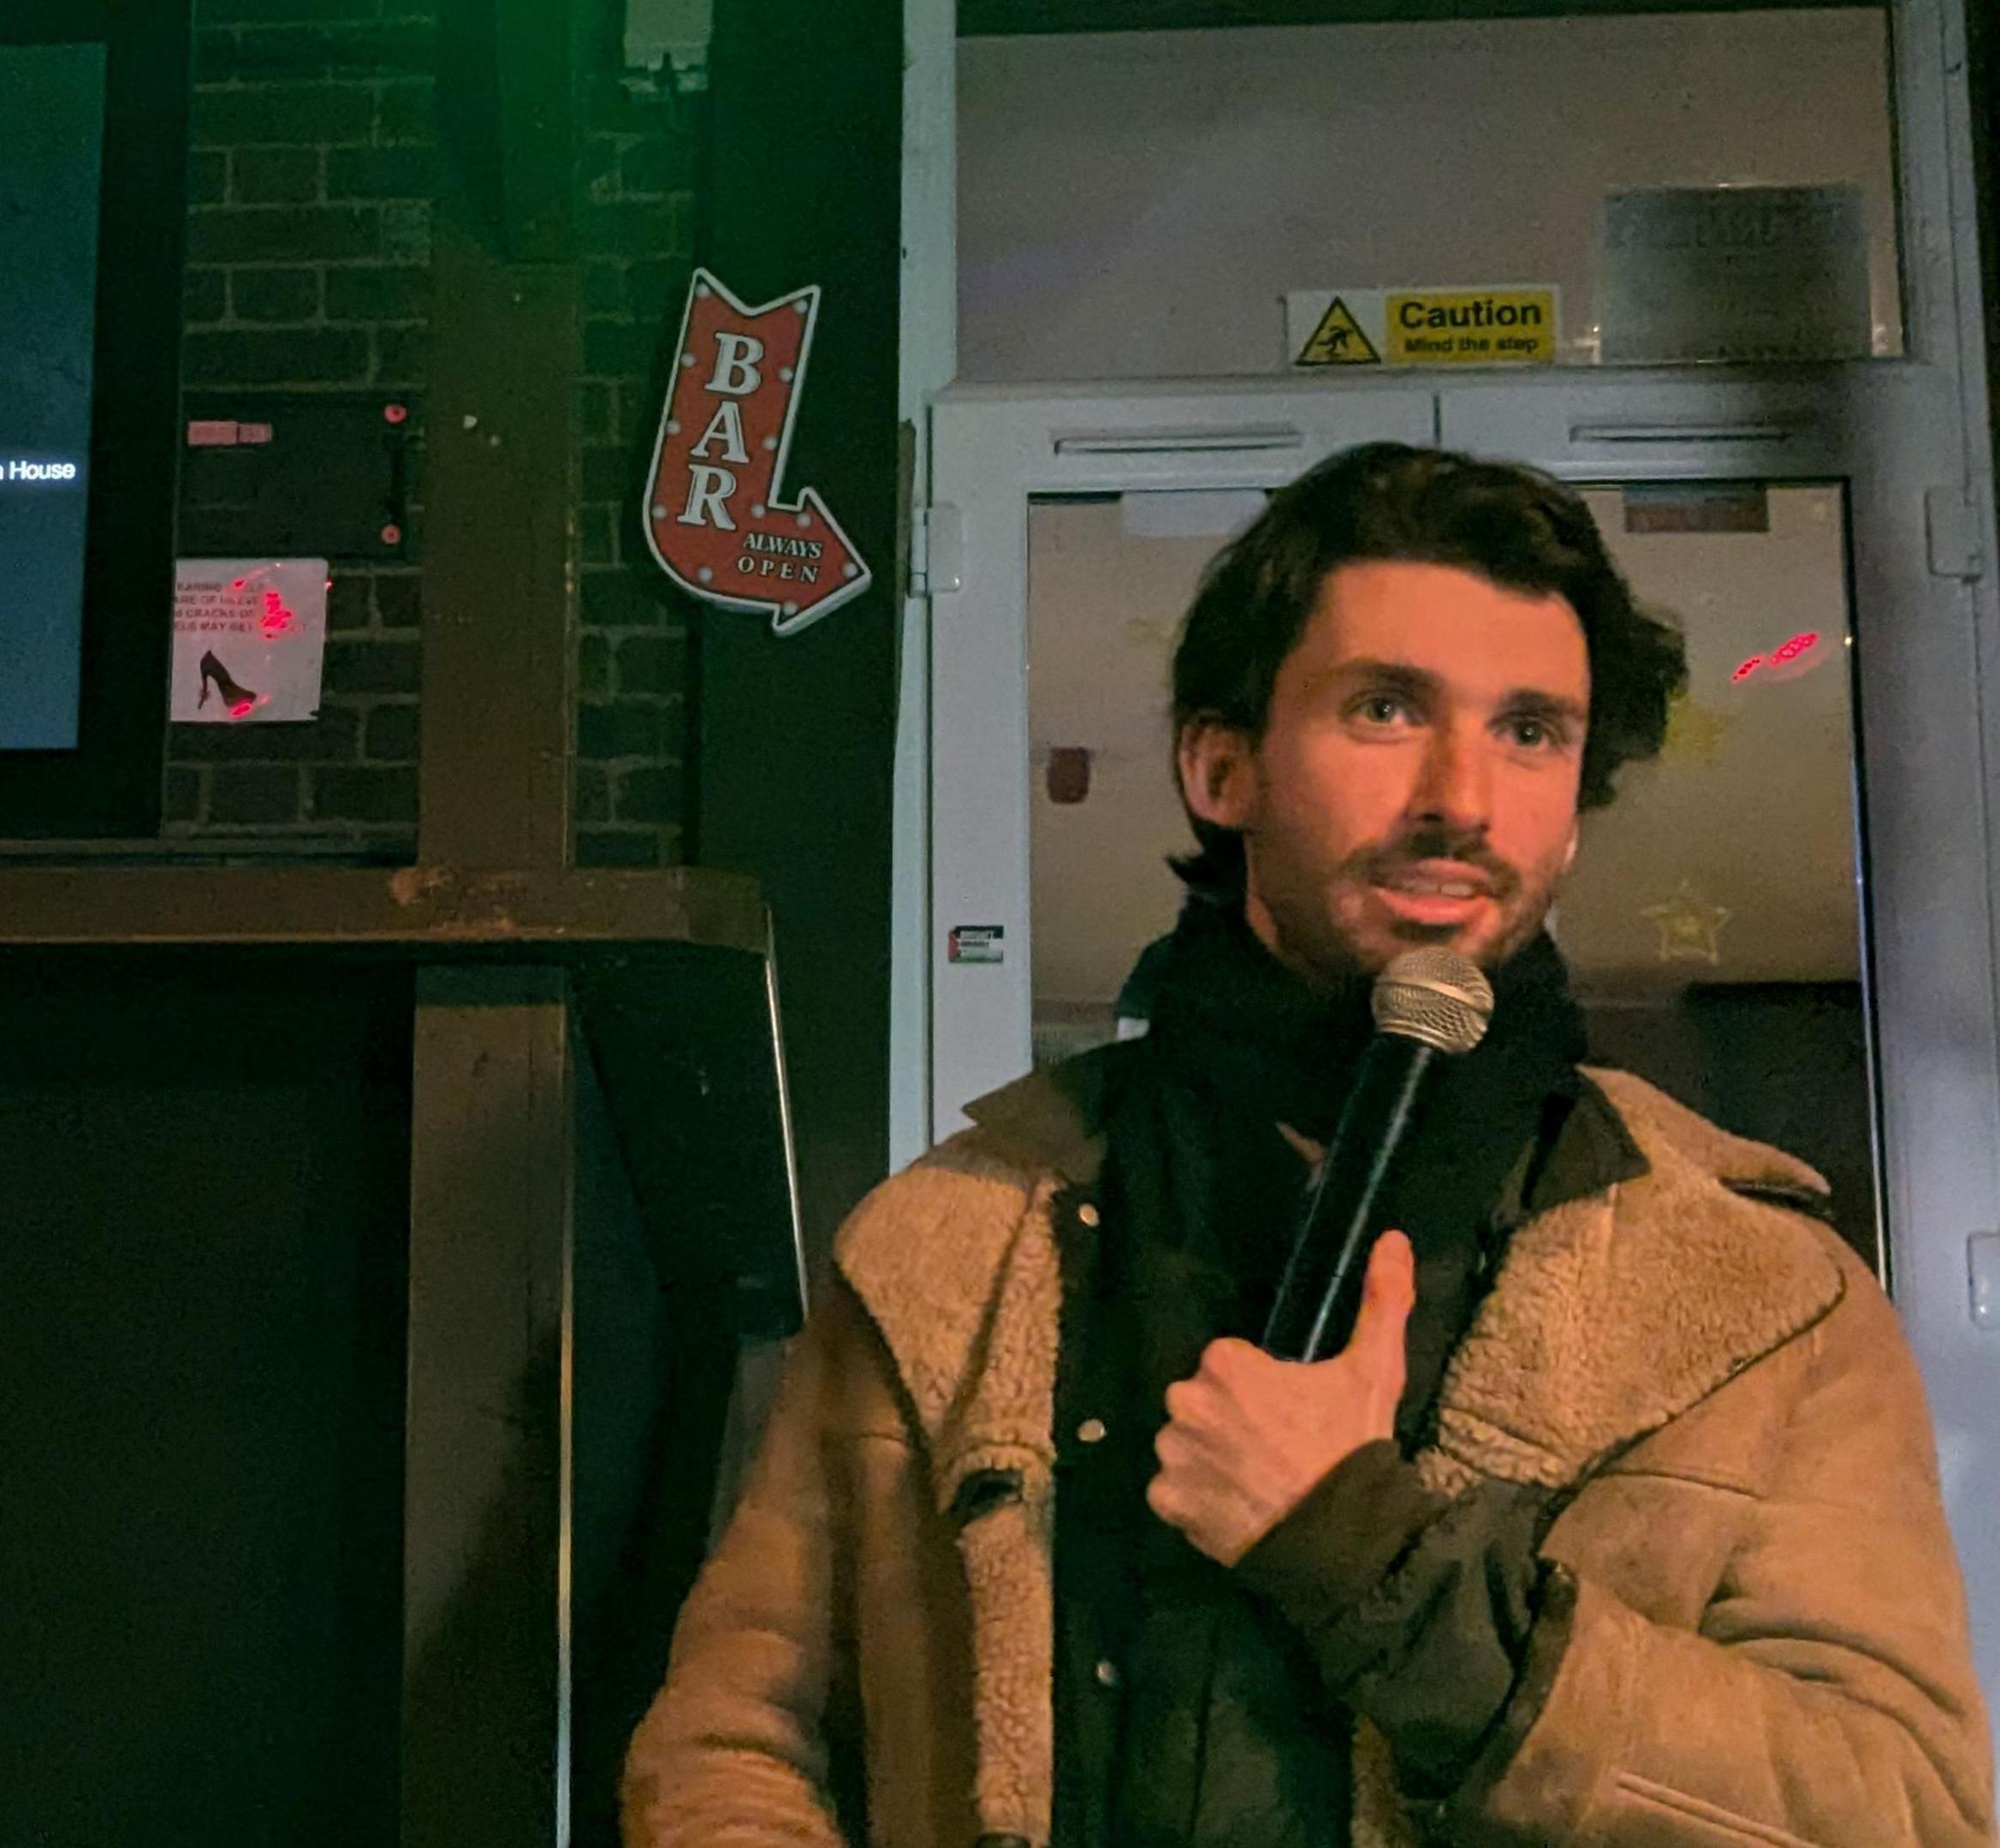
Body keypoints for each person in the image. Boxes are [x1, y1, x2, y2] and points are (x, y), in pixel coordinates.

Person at [622, 444, 1995, 1846]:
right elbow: (735, 1739)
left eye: (1532, 732)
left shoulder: (1766, 1301)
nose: (1465, 794)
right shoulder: (948, 1246)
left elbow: (1905, 1816)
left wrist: (1367, 1551)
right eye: (1388, 708)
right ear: (1222, 767)